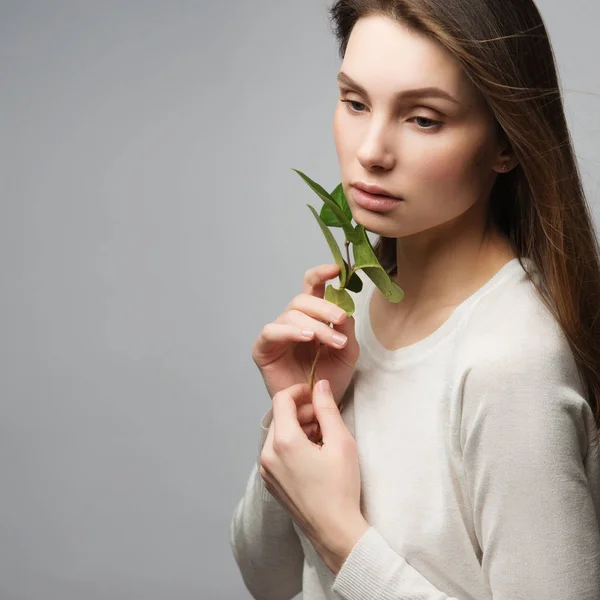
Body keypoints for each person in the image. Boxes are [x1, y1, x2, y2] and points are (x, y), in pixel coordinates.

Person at [230, 0, 600, 598]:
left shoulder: (509, 365)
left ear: (506, 143)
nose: (371, 150)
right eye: (354, 102)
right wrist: (296, 412)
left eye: (423, 118)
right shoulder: (355, 315)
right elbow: (266, 577)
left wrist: (342, 538)